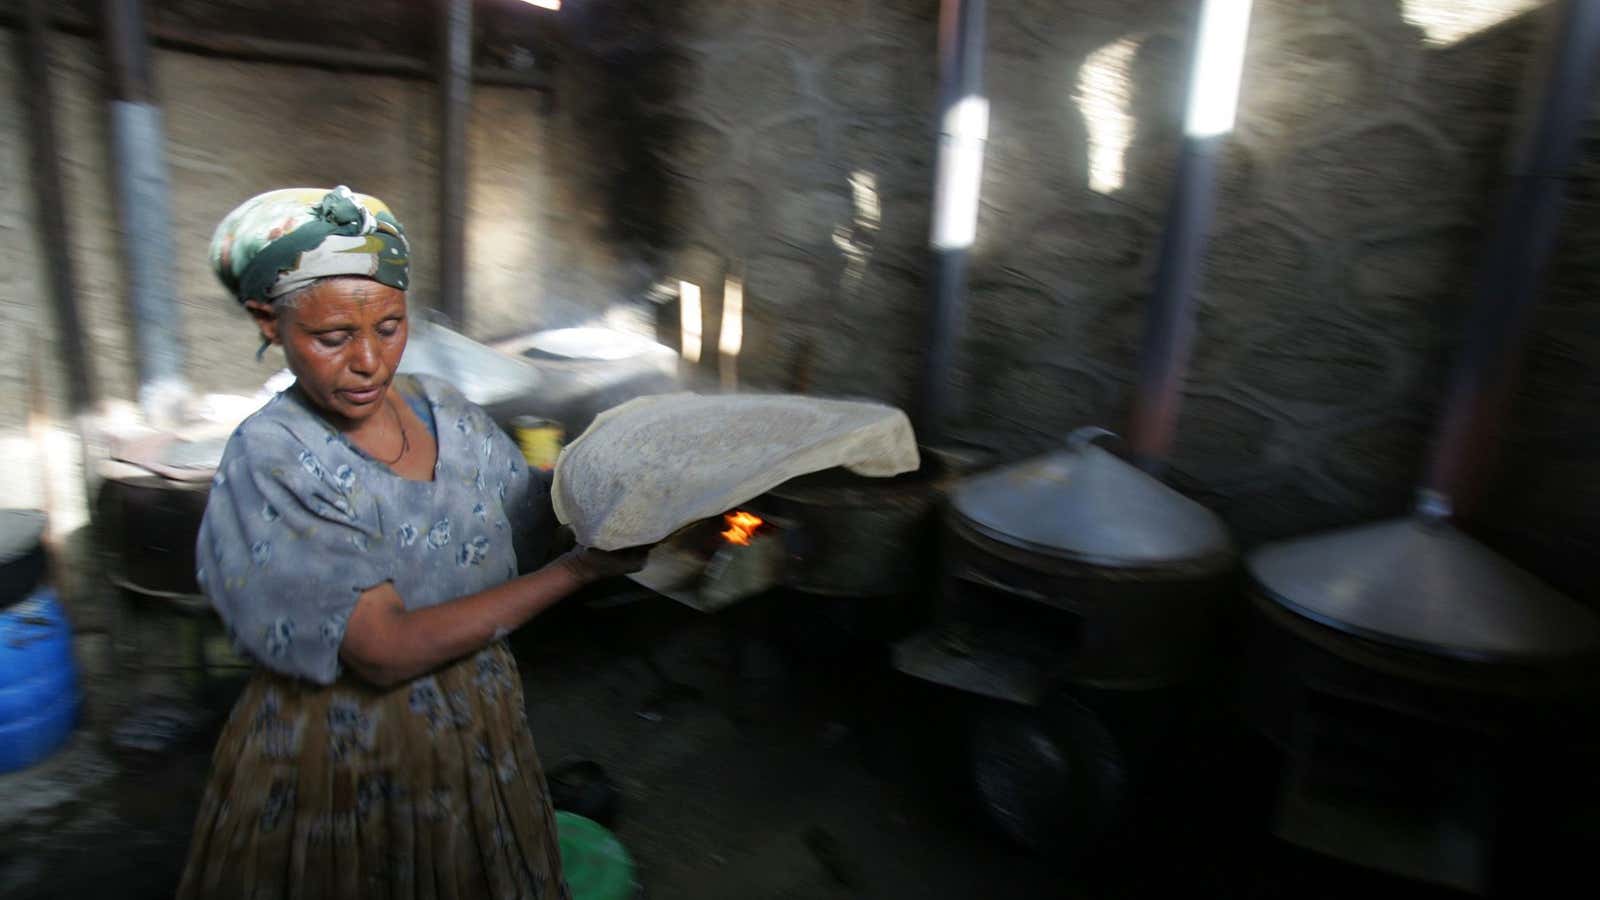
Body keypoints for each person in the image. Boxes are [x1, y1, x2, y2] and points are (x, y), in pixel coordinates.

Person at [177, 186, 646, 899]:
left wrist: (622, 486)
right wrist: (580, 573)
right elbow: (381, 649)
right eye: (332, 337)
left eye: (389, 327)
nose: (368, 360)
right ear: (269, 322)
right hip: (342, 750)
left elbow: (524, 512)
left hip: (475, 723)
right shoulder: (272, 458)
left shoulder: (445, 410)